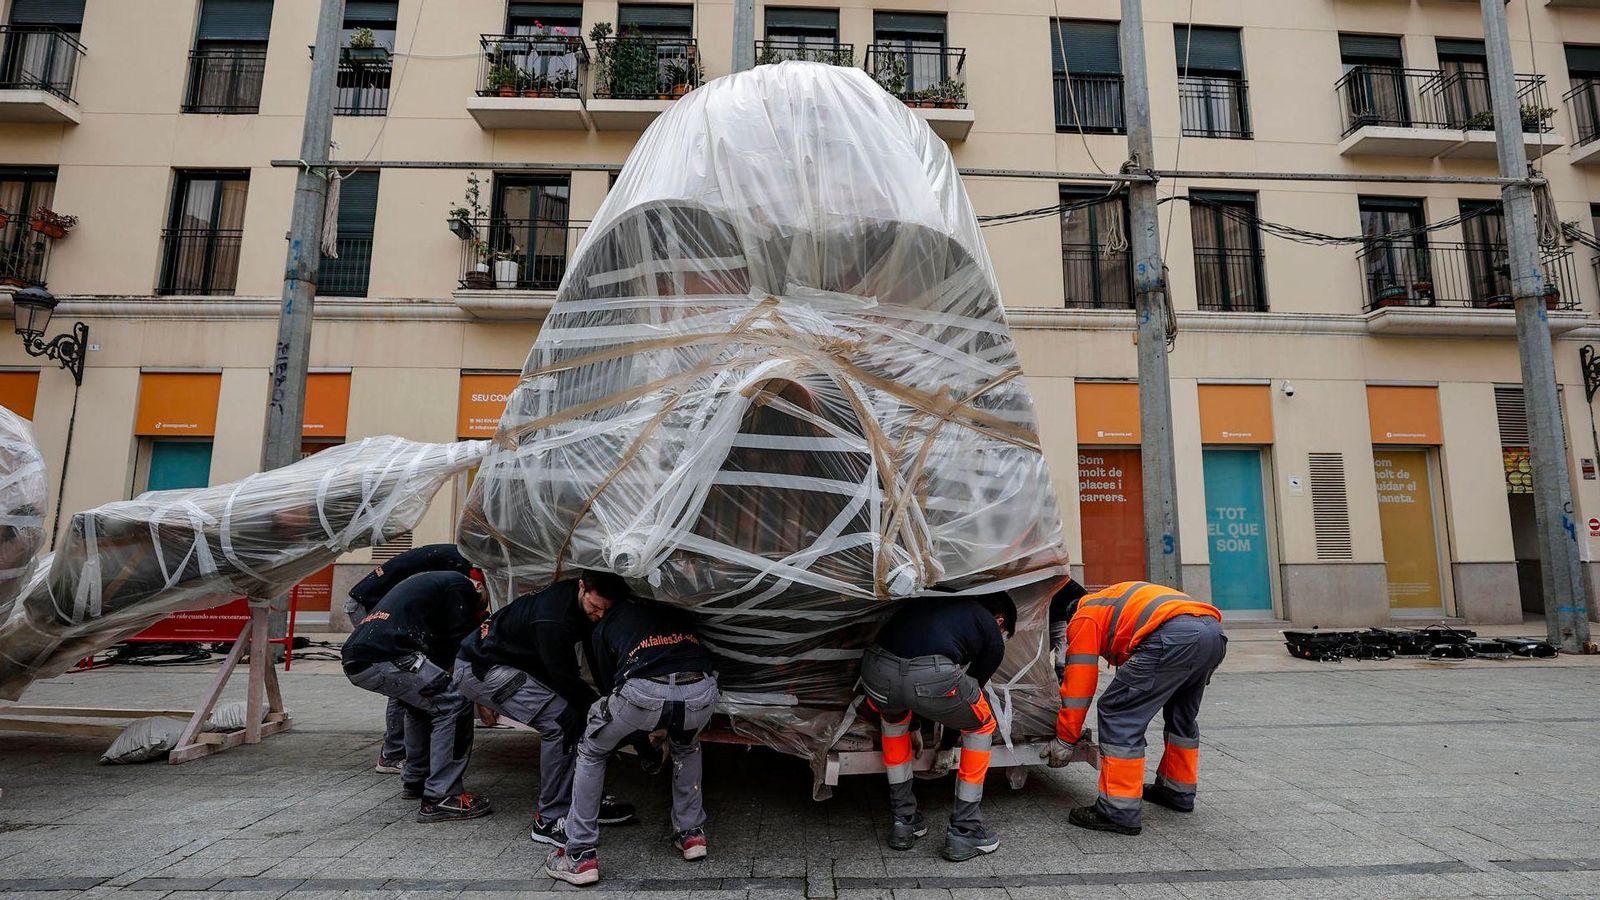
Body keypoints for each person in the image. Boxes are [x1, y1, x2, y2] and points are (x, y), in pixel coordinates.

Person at [453, 571, 639, 846]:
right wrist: (607, 710)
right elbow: (564, 680)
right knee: (561, 721)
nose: (598, 615)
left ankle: (584, 805)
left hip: (509, 663)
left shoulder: (581, 604)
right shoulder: (552, 619)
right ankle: (549, 818)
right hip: (480, 668)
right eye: (595, 607)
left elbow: (592, 652)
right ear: (581, 588)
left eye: (605, 611)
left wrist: (611, 694)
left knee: (581, 716)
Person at [545, 595, 719, 886]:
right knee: (686, 747)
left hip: (643, 695)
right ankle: (692, 835)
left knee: (591, 751)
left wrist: (641, 730)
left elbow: (609, 685)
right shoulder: (674, 605)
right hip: (700, 692)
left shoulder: (608, 623)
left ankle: (579, 855)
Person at [1042, 581, 1225, 836]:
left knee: (1117, 711)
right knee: (1181, 714)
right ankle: (1177, 790)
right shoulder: (1112, 599)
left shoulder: (1084, 615)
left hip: (1172, 637)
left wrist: (1065, 738)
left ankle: (1118, 810)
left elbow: (1079, 686)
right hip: (1212, 633)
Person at [858, 591, 1016, 862]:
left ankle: (903, 821)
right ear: (1000, 621)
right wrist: (946, 747)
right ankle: (965, 830)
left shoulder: (937, 602)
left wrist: (914, 727)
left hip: (875, 671)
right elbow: (967, 697)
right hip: (931, 677)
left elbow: (909, 659)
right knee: (981, 725)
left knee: (893, 723)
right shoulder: (991, 633)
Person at [341, 570, 490, 823]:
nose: (477, 613)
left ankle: (416, 779)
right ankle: (443, 796)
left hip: (359, 655)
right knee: (454, 701)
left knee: (423, 701)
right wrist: (482, 697)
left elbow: (442, 657)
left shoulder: (429, 590)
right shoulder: (461, 585)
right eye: (480, 608)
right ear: (479, 587)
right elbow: (460, 648)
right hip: (387, 654)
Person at [344, 544, 477, 774]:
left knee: (417, 678)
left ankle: (410, 763)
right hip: (368, 605)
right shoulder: (461, 566)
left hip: (374, 603)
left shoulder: (457, 556)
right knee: (406, 677)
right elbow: (456, 624)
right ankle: (393, 754)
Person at [1049, 577, 1088, 682]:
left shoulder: (1066, 582)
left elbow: (1084, 597)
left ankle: (1060, 675)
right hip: (1050, 621)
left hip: (1057, 621)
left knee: (1061, 650)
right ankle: (1059, 675)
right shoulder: (1067, 582)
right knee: (1058, 648)